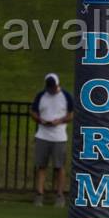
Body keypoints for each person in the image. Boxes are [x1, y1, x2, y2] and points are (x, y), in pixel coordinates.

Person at [30, 73, 75, 207]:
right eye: (49, 87)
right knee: (41, 165)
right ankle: (39, 194)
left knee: (59, 166)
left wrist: (59, 121)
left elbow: (71, 114)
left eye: (53, 86)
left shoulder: (65, 96)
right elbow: (33, 111)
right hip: (42, 135)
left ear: (57, 84)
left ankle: (60, 195)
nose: (51, 89)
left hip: (59, 136)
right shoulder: (41, 95)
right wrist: (40, 120)